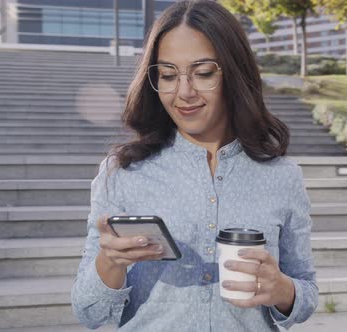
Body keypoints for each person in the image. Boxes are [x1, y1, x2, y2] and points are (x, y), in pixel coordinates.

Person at [71, 1, 318, 331]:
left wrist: (282, 289)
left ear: (234, 73)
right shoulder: (123, 173)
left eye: (203, 73)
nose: (184, 92)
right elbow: (88, 312)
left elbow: (305, 291)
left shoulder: (283, 176)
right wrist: (110, 261)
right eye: (168, 75)